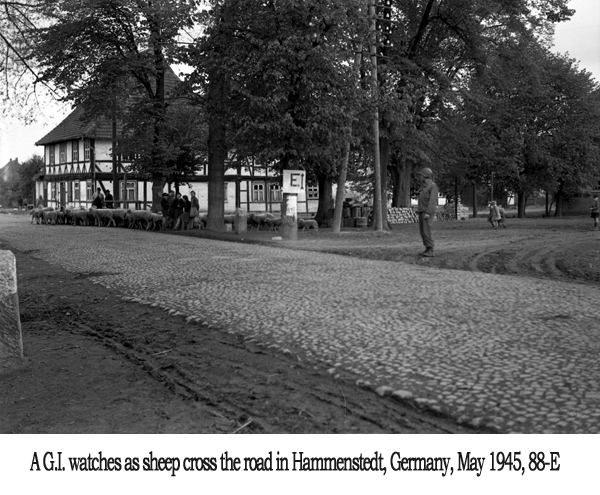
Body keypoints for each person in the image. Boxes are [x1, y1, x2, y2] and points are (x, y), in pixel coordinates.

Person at [417, 167, 438, 257]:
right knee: (422, 231)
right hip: (422, 211)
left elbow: (433, 201)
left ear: (425, 176)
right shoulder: (424, 186)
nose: (420, 177)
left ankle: (430, 248)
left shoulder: (433, 186)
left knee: (426, 231)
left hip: (427, 212)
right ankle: (427, 247)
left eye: (421, 175)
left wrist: (428, 212)